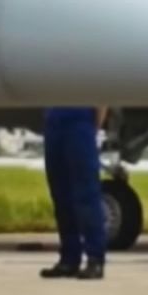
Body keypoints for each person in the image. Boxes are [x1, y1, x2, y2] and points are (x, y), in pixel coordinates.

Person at [41, 105, 107, 280]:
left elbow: (102, 97)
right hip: (54, 120)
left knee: (86, 194)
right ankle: (69, 258)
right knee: (61, 194)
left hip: (80, 119)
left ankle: (95, 258)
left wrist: (95, 126)